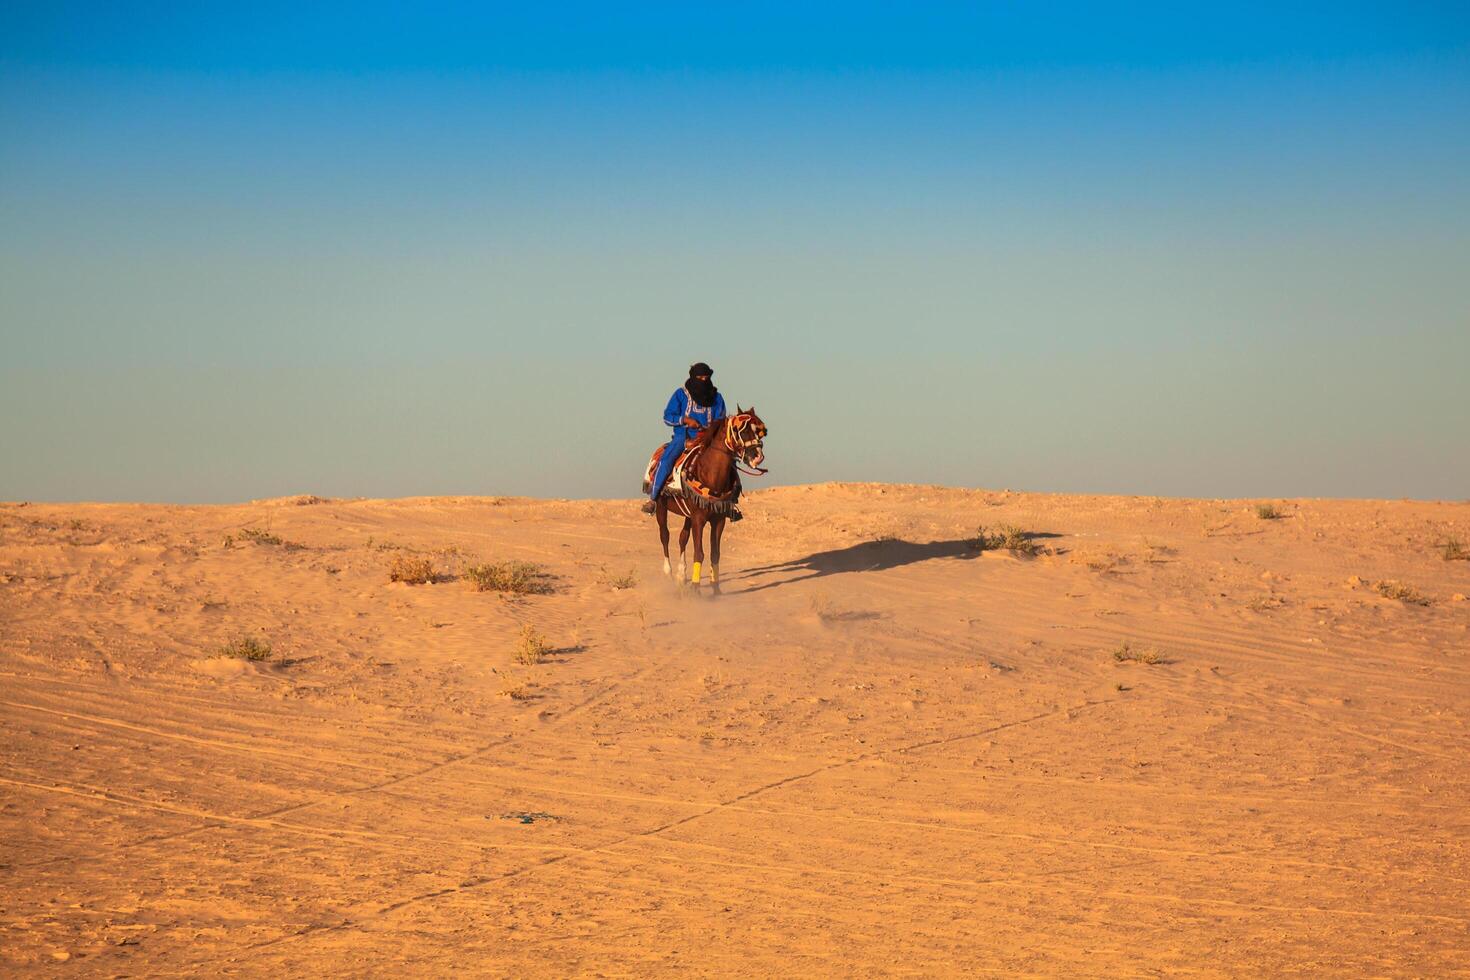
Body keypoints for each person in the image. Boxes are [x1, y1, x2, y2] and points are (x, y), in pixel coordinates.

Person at [643, 362, 726, 514]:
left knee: (727, 460)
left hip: (709, 438)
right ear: (693, 377)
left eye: (706, 377)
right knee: (667, 459)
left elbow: (721, 419)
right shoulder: (681, 394)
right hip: (684, 436)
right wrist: (686, 420)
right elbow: (668, 417)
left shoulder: (716, 398)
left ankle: (730, 503)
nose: (703, 380)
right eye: (700, 377)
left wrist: (711, 430)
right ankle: (653, 498)